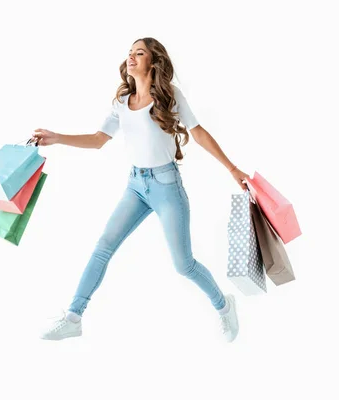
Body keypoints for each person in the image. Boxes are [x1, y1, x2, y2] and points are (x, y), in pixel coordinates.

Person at [32, 37, 249, 343]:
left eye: (139, 53)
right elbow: (97, 140)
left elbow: (197, 133)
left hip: (166, 186)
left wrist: (232, 169)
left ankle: (225, 307)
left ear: (153, 61)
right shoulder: (121, 103)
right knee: (103, 246)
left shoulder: (169, 96)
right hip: (135, 186)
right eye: (130, 53)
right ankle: (73, 317)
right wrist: (57, 138)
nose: (131, 57)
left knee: (183, 264)